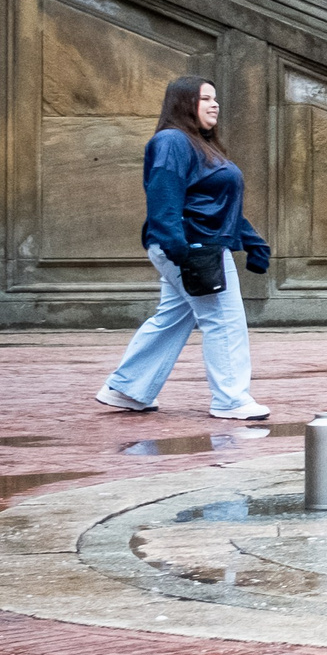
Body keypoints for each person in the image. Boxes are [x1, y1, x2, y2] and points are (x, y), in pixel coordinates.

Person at [96, 75, 273, 420]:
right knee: (224, 320)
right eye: (205, 98)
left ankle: (127, 389)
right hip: (193, 247)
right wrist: (178, 246)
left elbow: (221, 205)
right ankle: (231, 399)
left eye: (215, 98)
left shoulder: (199, 145)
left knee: (173, 318)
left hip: (195, 245)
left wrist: (254, 243)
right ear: (184, 104)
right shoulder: (172, 141)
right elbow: (164, 194)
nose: (214, 104)